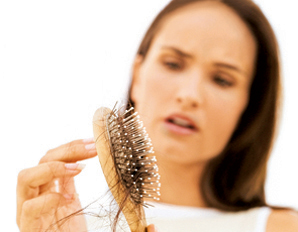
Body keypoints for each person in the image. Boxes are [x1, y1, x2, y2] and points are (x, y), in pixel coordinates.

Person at [16, 0, 298, 231]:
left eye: (222, 80)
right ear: (137, 75)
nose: (189, 94)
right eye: (173, 63)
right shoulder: (71, 227)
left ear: (249, 105)